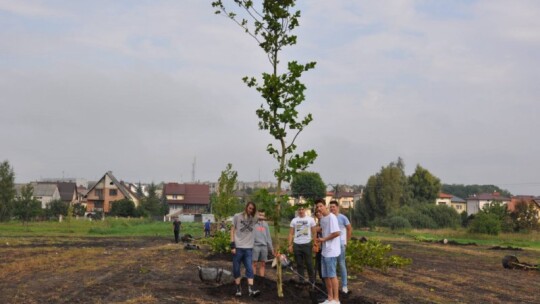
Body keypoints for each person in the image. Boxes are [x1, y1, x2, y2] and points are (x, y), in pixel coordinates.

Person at [231, 202, 260, 297]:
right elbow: (232, 230)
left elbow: (264, 217)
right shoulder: (237, 216)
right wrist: (232, 245)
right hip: (238, 247)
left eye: (252, 209)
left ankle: (251, 290)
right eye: (249, 208)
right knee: (236, 269)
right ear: (246, 207)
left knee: (250, 269)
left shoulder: (254, 218)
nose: (250, 210)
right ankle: (238, 289)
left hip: (248, 248)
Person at [316, 199, 341, 304]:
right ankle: (330, 298)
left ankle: (336, 299)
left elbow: (337, 233)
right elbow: (323, 231)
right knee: (325, 275)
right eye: (317, 207)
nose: (319, 208)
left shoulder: (332, 217)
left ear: (325, 206)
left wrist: (324, 239)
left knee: (332, 275)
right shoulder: (322, 219)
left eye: (321, 206)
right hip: (324, 251)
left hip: (332, 250)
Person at [288, 204, 316, 284]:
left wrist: (315, 244)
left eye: (302, 209)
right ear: (297, 211)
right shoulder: (294, 220)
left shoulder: (310, 220)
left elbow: (314, 233)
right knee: (299, 264)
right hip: (297, 244)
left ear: (305, 210)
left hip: (307, 244)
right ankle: (301, 281)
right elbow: (290, 233)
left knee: (309, 263)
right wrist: (290, 245)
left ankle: (312, 281)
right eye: (299, 210)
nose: (301, 211)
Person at [329, 200, 352, 294]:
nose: (332, 208)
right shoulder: (329, 218)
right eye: (330, 207)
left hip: (340, 245)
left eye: (333, 207)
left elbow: (349, 229)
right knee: (332, 265)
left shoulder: (343, 217)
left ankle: (344, 286)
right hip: (331, 246)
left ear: (337, 207)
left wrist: (346, 241)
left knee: (342, 264)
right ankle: (334, 287)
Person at [252, 209, 274, 278]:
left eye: (263, 215)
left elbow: (268, 237)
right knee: (254, 263)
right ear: (257, 214)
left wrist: (271, 249)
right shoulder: (253, 223)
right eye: (260, 215)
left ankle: (262, 279)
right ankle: (253, 278)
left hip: (264, 246)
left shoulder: (265, 224)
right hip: (255, 246)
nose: (262, 217)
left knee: (263, 263)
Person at [313, 210, 323, 282]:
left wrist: (319, 229)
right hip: (319, 248)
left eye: (319, 213)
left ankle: (324, 281)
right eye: (317, 213)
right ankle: (322, 279)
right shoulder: (318, 223)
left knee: (323, 266)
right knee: (319, 265)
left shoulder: (325, 221)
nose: (318, 214)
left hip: (325, 248)